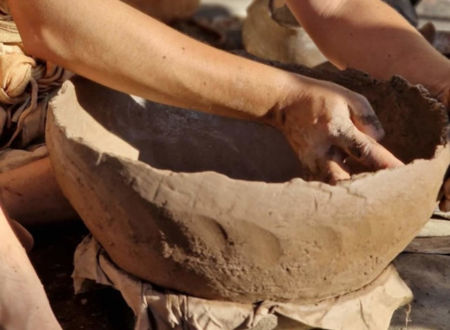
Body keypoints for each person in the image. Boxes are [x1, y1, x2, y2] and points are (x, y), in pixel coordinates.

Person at [0, 0, 449, 327]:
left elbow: (336, 7)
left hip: (71, 77)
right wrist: (281, 100)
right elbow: (54, 19)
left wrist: (444, 88)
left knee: (134, 162)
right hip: (41, 52)